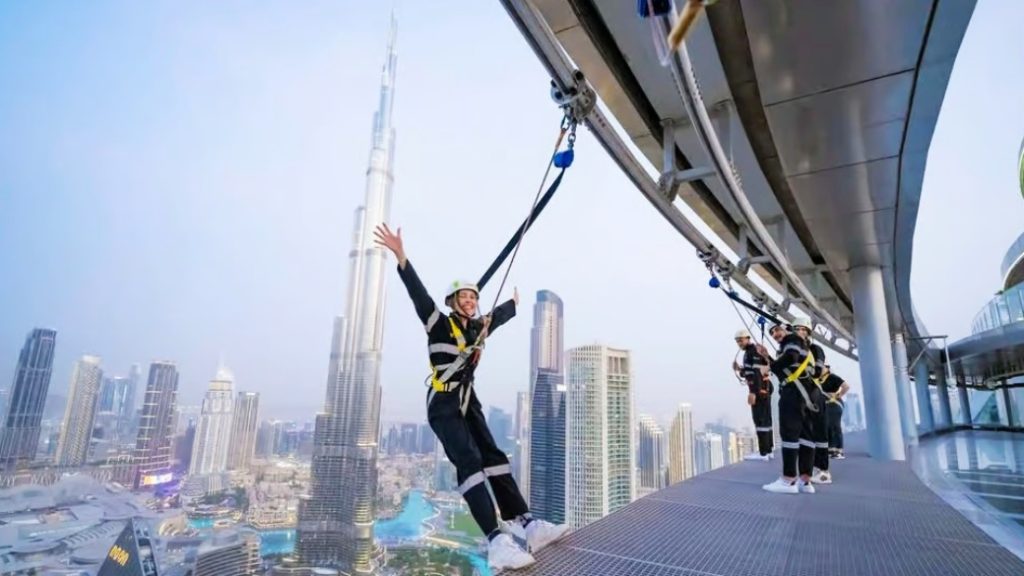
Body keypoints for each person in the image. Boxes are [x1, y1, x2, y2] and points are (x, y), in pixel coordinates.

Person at [373, 223, 568, 571]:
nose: (470, 301)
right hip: (444, 403)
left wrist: (513, 305)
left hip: (468, 400)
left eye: (473, 297)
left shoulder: (478, 329)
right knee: (470, 463)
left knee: (494, 456)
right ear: (452, 303)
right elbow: (418, 295)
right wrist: (401, 256)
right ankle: (496, 541)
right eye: (463, 297)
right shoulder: (438, 324)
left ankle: (528, 524)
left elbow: (497, 318)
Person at [762, 320, 820, 495]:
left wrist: (769, 366)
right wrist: (768, 358)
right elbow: (786, 368)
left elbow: (791, 357)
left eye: (777, 330)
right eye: (772, 333)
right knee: (806, 435)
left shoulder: (792, 339)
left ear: (787, 328)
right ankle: (805, 481)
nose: (775, 334)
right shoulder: (799, 344)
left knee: (789, 433)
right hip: (808, 393)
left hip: (794, 393)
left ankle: (788, 480)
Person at [734, 329, 773, 461]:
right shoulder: (750, 352)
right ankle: (768, 449)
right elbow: (750, 372)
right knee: (765, 419)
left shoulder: (752, 351)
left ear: (748, 338)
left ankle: (763, 453)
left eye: (741, 339)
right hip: (763, 388)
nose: (739, 343)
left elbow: (757, 373)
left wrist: (754, 392)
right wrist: (740, 370)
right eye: (737, 340)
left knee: (760, 419)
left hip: (760, 389)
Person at [805, 333, 833, 485]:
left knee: (820, 431)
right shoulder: (799, 351)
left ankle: (824, 472)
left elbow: (818, 371)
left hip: (815, 393)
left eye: (803, 330)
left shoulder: (815, 349)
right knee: (811, 432)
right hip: (805, 396)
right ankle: (817, 467)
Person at [819, 364, 849, 459]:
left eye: (821, 367)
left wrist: (838, 395)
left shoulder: (832, 377)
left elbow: (846, 386)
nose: (819, 369)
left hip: (835, 404)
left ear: (826, 368)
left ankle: (839, 451)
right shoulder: (818, 380)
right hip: (826, 405)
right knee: (827, 426)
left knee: (835, 427)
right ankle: (831, 450)